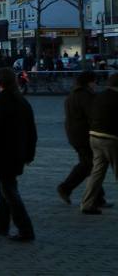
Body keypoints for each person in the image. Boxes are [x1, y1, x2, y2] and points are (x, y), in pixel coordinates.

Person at [0, 67, 37, 242]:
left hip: (1, 154)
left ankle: (25, 229)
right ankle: (1, 224)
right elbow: (31, 131)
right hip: (17, 153)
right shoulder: (22, 102)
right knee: (5, 187)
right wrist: (29, 153)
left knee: (9, 190)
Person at [58, 71, 108, 207]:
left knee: (91, 165)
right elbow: (94, 116)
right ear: (89, 82)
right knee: (89, 165)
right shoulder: (86, 96)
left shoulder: (73, 95)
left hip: (75, 135)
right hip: (84, 136)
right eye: (94, 81)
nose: (96, 85)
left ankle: (98, 198)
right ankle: (65, 187)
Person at [80, 72, 118, 215]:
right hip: (111, 138)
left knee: (97, 172)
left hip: (94, 137)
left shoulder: (99, 96)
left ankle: (87, 203)